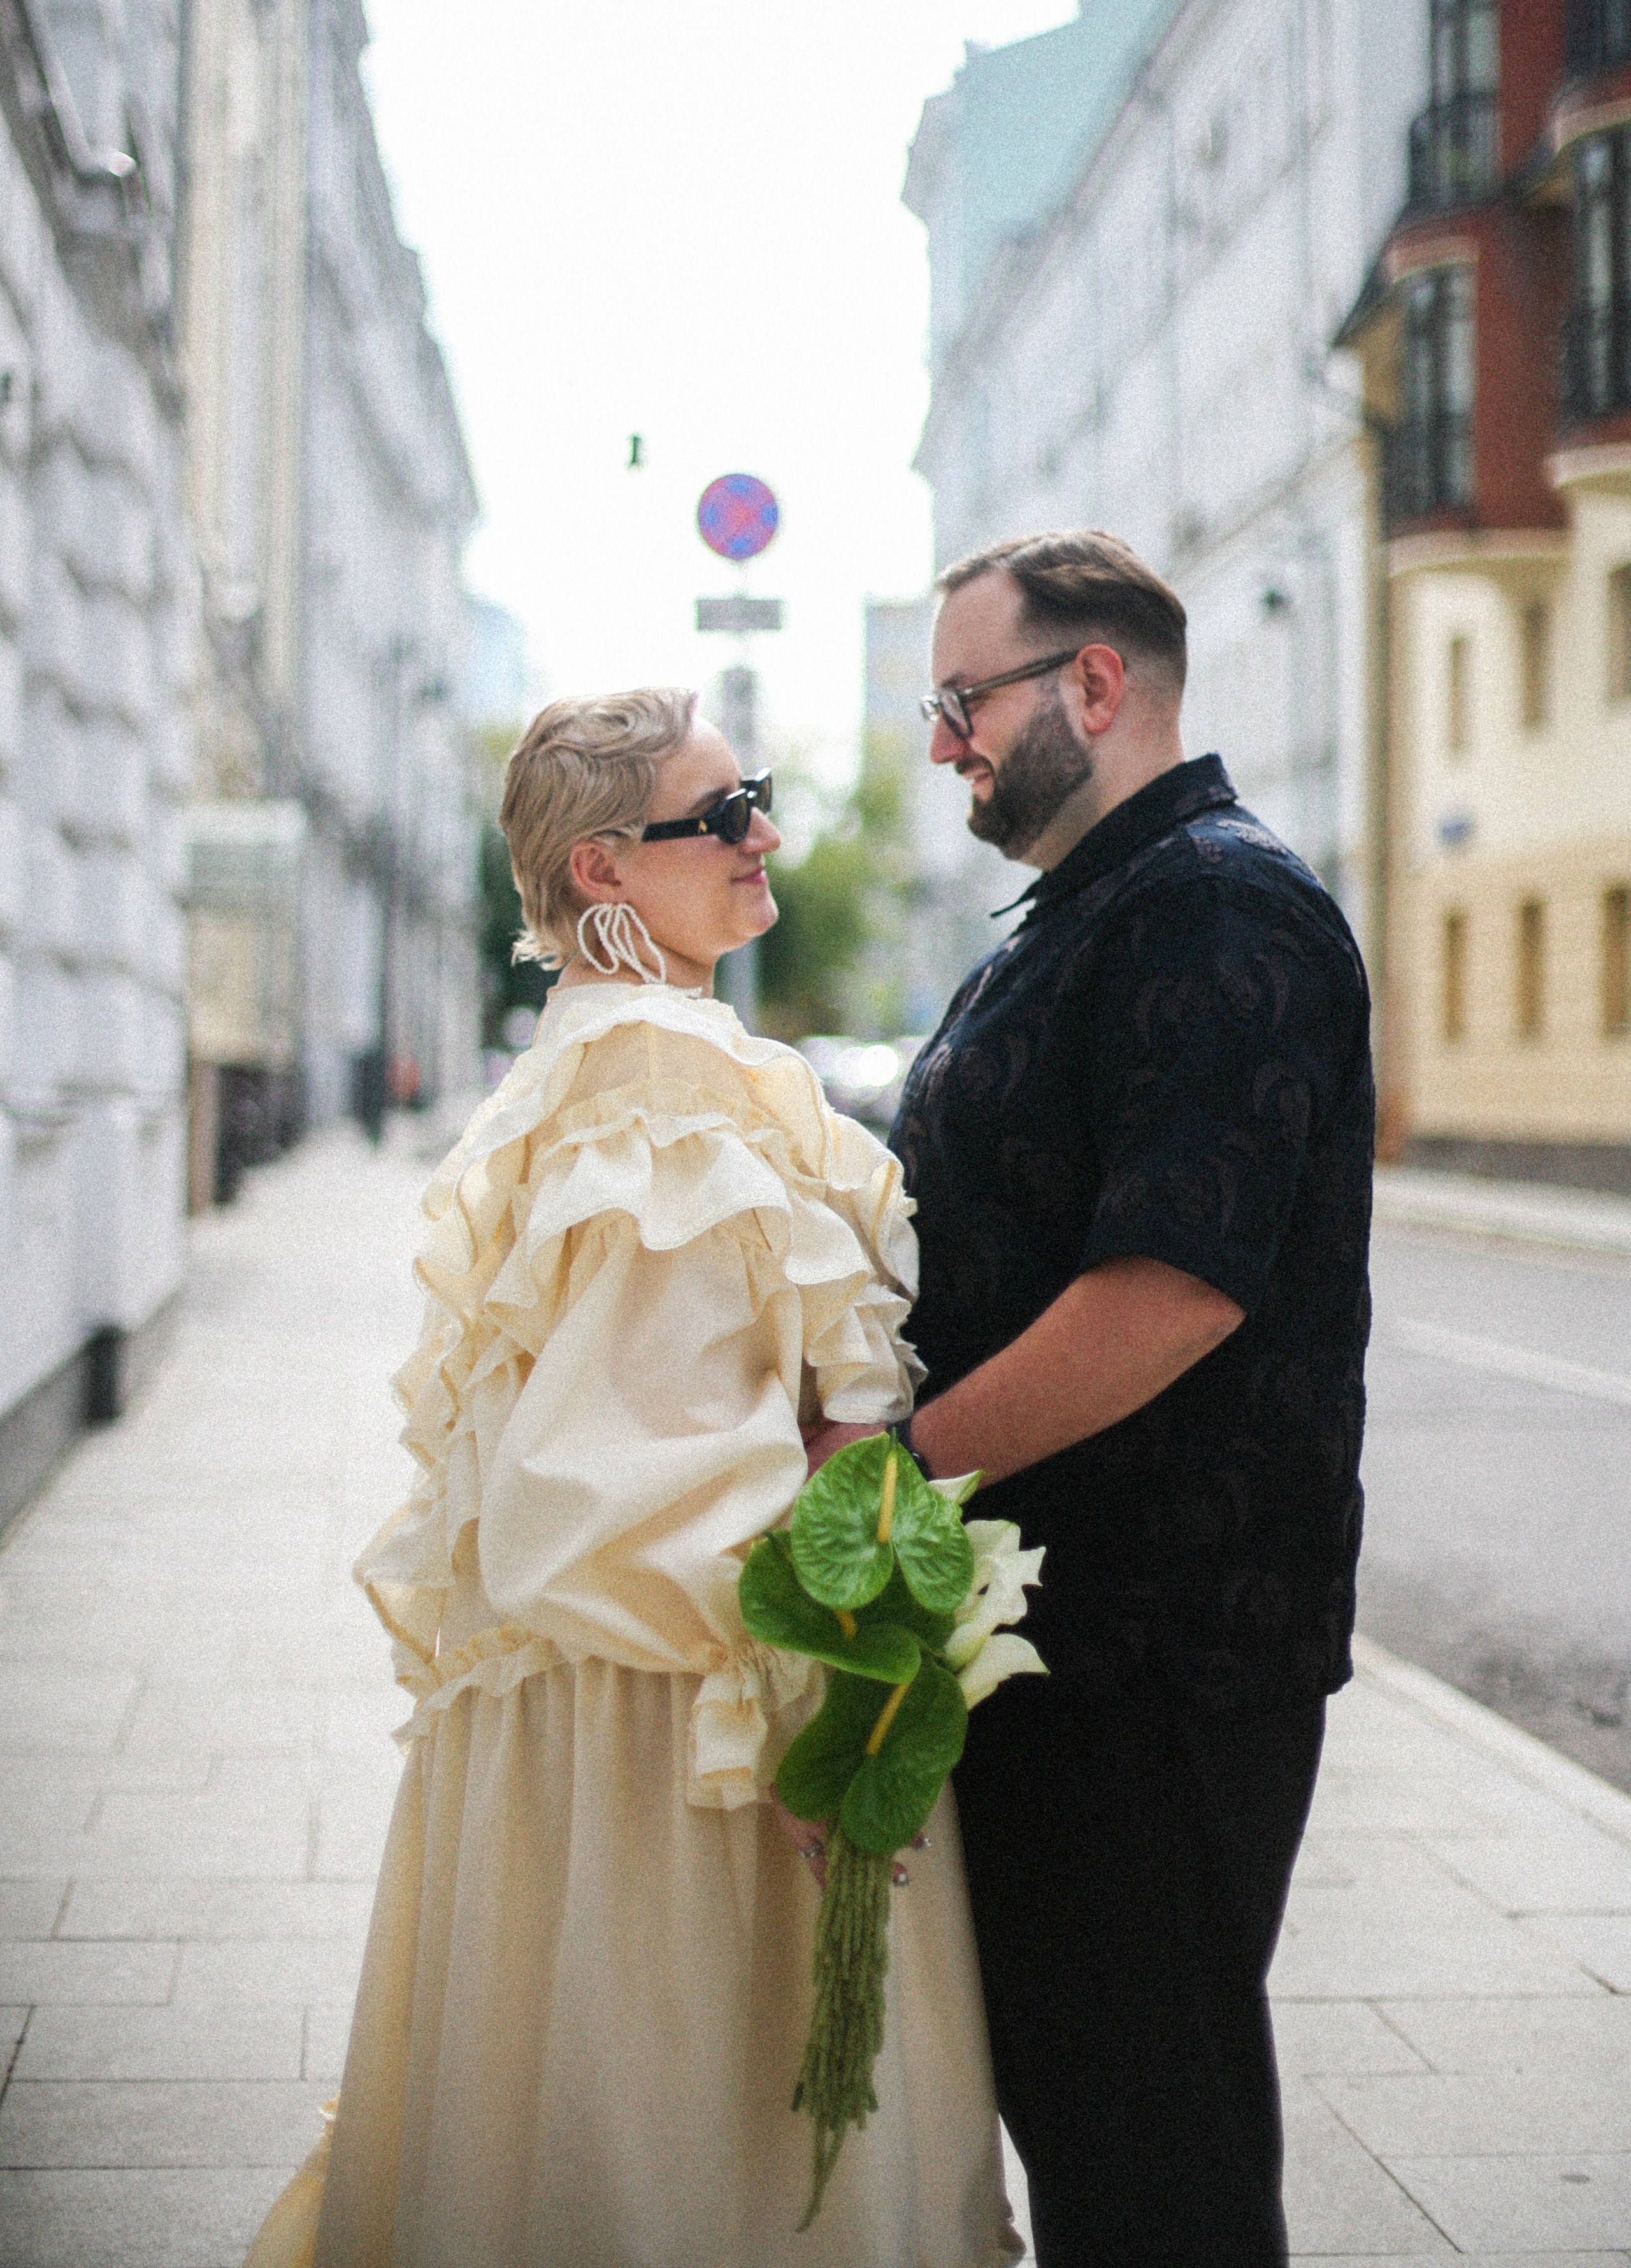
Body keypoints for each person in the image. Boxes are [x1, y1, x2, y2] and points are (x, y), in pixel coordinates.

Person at [245, 688, 1020, 2268]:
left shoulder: (607, 1064)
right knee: (702, 2144)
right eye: (721, 814)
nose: (765, 835)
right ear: (600, 868)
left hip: (616, 1699)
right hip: (685, 1720)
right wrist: (825, 1701)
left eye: (758, 795)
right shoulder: (652, 1075)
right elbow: (639, 1475)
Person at [884, 531, 1374, 2268]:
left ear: (1092, 685)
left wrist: (890, 1474)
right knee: (1098, 2131)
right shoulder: (1100, 906)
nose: (941, 743)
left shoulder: (1213, 908)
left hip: (1157, 1659)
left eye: (962, 701)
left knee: (1151, 2165)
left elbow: (1167, 1290)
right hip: (1067, 1647)